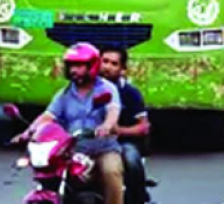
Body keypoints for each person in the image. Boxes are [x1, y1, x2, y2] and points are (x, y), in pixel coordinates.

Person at [13, 43, 124, 204]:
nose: (73, 70)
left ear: (91, 66)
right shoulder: (64, 94)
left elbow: (113, 110)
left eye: (79, 66)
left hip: (102, 150)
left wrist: (106, 126)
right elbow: (48, 116)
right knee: (53, 174)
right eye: (71, 65)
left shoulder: (107, 89)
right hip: (73, 151)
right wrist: (28, 132)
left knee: (111, 171)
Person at [100, 47, 151, 204]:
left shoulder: (130, 93)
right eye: (105, 61)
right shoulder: (86, 88)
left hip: (122, 143)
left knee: (131, 159)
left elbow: (144, 127)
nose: (107, 67)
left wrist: (119, 131)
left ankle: (139, 198)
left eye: (114, 64)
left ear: (122, 69)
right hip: (91, 141)